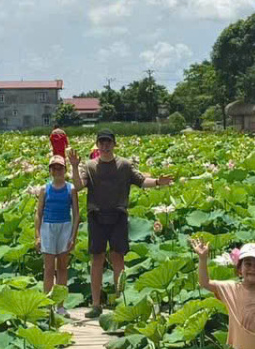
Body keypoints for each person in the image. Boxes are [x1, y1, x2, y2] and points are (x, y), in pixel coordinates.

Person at [81, 130, 174, 314]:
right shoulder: (89, 166)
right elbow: (78, 186)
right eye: (102, 142)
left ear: (114, 144)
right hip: (96, 215)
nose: (105, 146)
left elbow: (141, 181)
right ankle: (95, 304)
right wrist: (75, 167)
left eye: (108, 142)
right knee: (97, 259)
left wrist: (157, 182)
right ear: (97, 145)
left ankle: (120, 303)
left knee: (118, 258)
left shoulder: (124, 165)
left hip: (118, 215)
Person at [35, 155, 81, 308]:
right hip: (48, 227)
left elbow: (76, 214)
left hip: (65, 226)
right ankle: (47, 306)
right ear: (50, 171)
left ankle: (60, 306)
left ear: (64, 169)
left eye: (60, 168)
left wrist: (73, 236)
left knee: (62, 267)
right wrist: (38, 236)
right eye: (54, 168)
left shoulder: (71, 189)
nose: (57, 171)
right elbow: (38, 213)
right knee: (48, 268)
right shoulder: (45, 189)